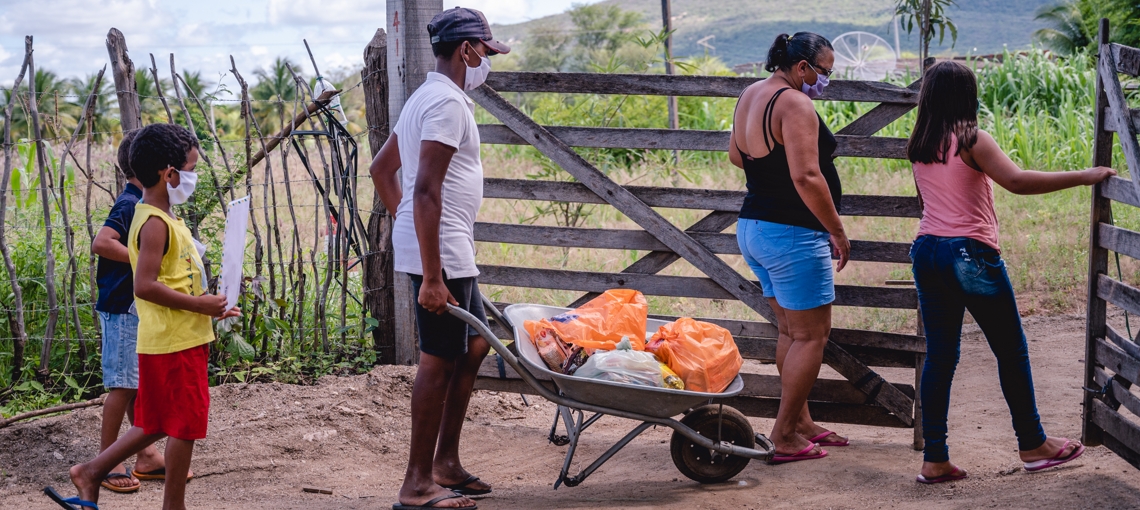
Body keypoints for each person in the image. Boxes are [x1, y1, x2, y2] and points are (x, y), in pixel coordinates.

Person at [906, 61, 1114, 484]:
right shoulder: (972, 139)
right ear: (967, 95)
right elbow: (1016, 181)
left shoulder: (921, 141)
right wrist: (1084, 176)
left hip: (927, 251)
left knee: (941, 358)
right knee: (1011, 351)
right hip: (969, 254)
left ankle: (935, 458)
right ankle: (1033, 443)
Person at [45, 123, 239, 510]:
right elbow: (145, 285)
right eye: (190, 169)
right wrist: (200, 305)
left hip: (176, 335)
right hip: (174, 341)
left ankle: (90, 472)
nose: (192, 178)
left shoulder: (160, 217)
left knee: (154, 423)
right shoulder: (153, 222)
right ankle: (173, 506)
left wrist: (209, 305)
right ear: (169, 174)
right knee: (183, 426)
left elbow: (172, 281)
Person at [368, 7, 509, 510]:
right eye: (487, 52)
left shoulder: (426, 97)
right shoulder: (446, 104)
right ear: (467, 49)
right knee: (437, 360)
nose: (488, 61)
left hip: (445, 247)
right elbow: (424, 190)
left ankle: (445, 463)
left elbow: (382, 171)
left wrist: (406, 226)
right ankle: (416, 484)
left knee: (472, 347)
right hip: (441, 253)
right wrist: (430, 272)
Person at [729, 32, 850, 463]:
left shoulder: (750, 93)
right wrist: (836, 230)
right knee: (811, 336)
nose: (825, 80)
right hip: (793, 233)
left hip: (754, 228)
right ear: (802, 67)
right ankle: (783, 435)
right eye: (824, 72)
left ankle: (801, 423)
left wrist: (771, 166)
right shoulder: (795, 103)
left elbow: (737, 156)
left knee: (790, 332)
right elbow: (807, 177)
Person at [89, 129, 171, 494]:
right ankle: (107, 461)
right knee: (122, 386)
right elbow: (102, 243)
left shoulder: (145, 203)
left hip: (133, 307)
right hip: (122, 307)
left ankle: (147, 456)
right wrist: (143, 261)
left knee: (134, 383)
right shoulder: (130, 203)